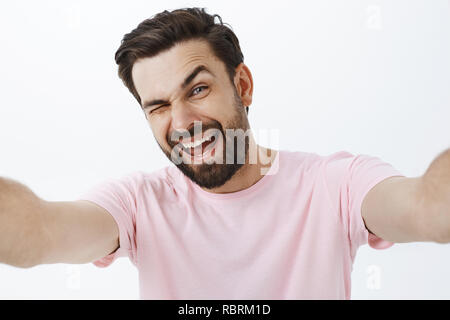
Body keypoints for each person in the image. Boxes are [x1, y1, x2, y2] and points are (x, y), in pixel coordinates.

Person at [0, 7, 448, 300]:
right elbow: (38, 231)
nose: (181, 123)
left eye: (197, 89)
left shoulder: (336, 186)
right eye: (157, 106)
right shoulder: (138, 203)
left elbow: (429, 209)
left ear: (243, 85)